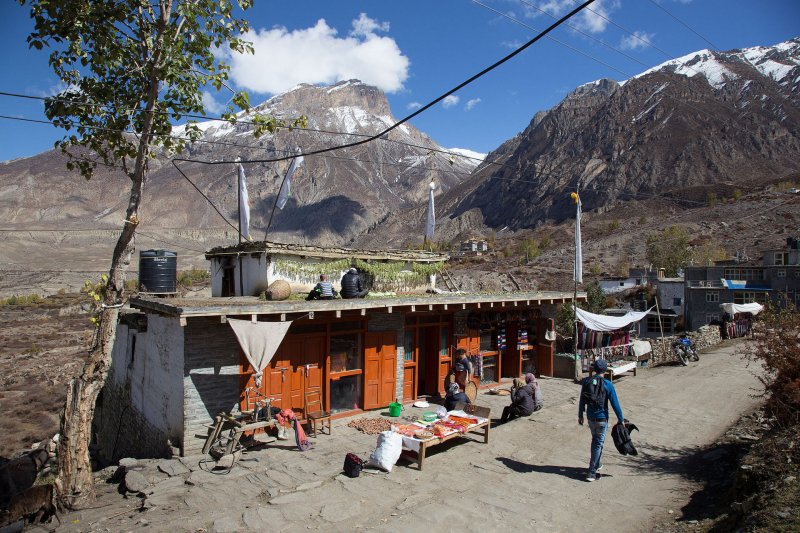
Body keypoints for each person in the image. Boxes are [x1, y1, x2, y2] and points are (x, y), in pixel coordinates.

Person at [578, 359, 624, 482]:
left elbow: (582, 399)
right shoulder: (608, 384)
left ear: (594, 369)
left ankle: (597, 464)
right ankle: (591, 472)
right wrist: (621, 419)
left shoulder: (586, 382)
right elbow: (615, 403)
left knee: (596, 440)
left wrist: (580, 415)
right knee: (598, 443)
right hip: (602, 418)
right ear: (605, 370)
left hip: (590, 417)